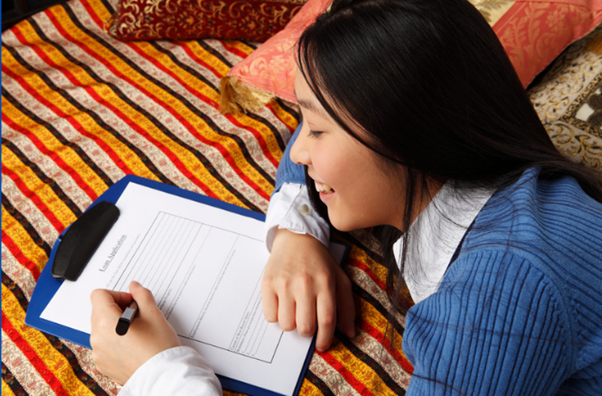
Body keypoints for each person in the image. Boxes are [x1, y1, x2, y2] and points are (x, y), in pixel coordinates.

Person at [89, 0, 602, 394]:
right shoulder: (487, 162)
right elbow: (304, 146)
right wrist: (295, 234)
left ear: (400, 129)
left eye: (316, 129)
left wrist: (156, 373)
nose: (301, 152)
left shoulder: (498, 293)